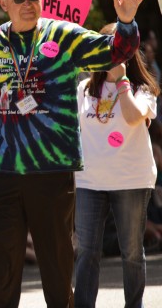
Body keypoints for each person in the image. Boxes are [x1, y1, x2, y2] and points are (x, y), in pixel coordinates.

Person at [0, 0, 146, 308]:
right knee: (0, 265)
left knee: (57, 266)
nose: (29, 4)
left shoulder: (63, 35)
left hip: (53, 171)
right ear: (4, 3)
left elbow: (114, 53)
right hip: (5, 170)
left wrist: (126, 23)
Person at [74, 22, 160, 308]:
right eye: (106, 45)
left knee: (132, 252)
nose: (111, 51)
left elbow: (135, 117)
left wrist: (122, 81)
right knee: (87, 251)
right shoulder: (84, 89)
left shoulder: (143, 88)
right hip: (89, 182)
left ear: (130, 51)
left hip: (131, 180)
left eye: (118, 45)